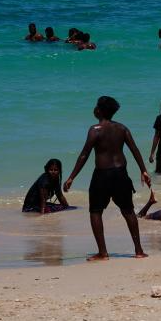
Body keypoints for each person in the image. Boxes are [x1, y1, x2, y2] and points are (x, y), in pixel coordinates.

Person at [63, 96, 151, 260]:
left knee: (95, 211)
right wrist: (143, 170)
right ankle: (139, 250)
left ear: (100, 110)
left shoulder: (95, 129)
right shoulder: (122, 128)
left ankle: (103, 252)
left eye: (96, 106)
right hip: (121, 174)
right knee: (128, 211)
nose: (94, 108)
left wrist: (71, 177)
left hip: (102, 175)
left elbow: (84, 155)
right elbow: (135, 150)